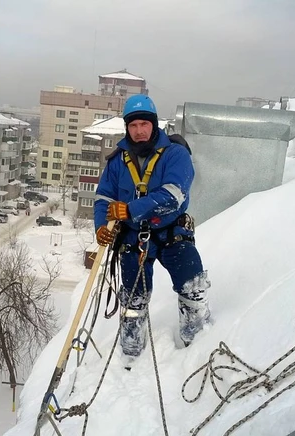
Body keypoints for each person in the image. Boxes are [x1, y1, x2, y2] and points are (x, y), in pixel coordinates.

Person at [94, 94, 211, 359]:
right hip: (134, 238)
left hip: (172, 232)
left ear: (154, 124)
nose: (139, 131)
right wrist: (101, 226)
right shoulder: (117, 161)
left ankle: (198, 346)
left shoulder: (176, 154)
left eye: (144, 125)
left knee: (193, 288)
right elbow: (104, 198)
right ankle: (132, 351)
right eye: (133, 126)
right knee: (133, 300)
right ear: (127, 128)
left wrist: (131, 209)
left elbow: (174, 195)